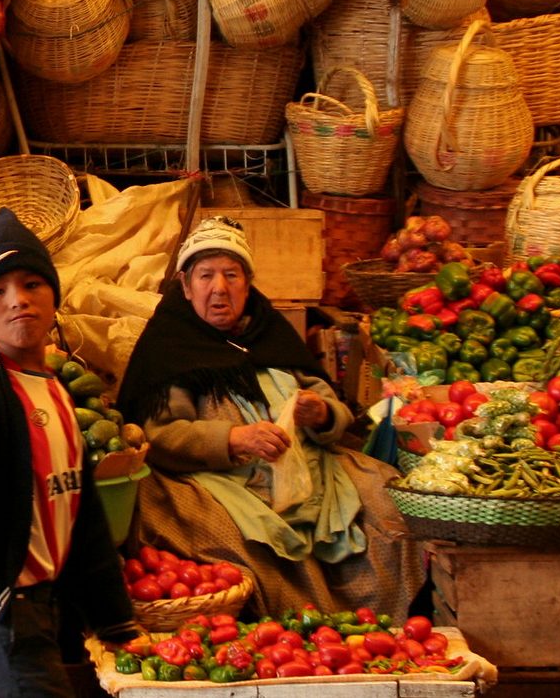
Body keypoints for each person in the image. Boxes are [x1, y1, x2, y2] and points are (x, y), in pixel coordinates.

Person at [116, 216, 425, 621]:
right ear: (186, 285)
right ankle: (291, 633)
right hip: (220, 479)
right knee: (237, 543)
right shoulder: (170, 345)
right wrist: (233, 439)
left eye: (232, 275)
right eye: (206, 275)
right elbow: (159, 434)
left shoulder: (268, 330)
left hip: (312, 467)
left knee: (387, 498)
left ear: (248, 284)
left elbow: (329, 399)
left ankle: (386, 629)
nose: (219, 288)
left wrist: (321, 412)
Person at [0, 207, 139, 698]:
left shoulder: (56, 391)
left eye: (32, 284)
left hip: (44, 606)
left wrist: (114, 618)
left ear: (54, 296)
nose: (18, 301)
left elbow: (83, 517)